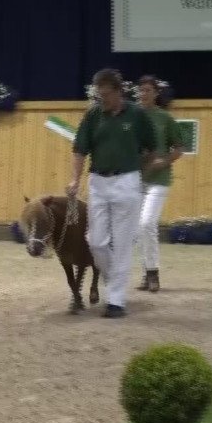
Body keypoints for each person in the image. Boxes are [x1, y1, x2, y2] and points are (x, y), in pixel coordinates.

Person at [66, 68, 157, 318]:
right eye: (99, 94)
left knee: (123, 243)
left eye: (106, 94)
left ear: (119, 92)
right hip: (98, 182)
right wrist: (75, 179)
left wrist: (140, 174)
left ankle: (116, 301)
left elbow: (151, 149)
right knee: (96, 241)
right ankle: (113, 278)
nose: (102, 99)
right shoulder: (93, 116)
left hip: (127, 182)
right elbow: (79, 150)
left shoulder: (137, 115)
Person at [136, 75, 185, 293]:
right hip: (135, 180)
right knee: (137, 229)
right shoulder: (131, 117)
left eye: (148, 90)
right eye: (141, 90)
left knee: (147, 223)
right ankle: (146, 273)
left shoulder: (165, 118)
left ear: (156, 93)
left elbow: (179, 148)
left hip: (159, 180)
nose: (143, 94)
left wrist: (163, 161)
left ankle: (153, 273)